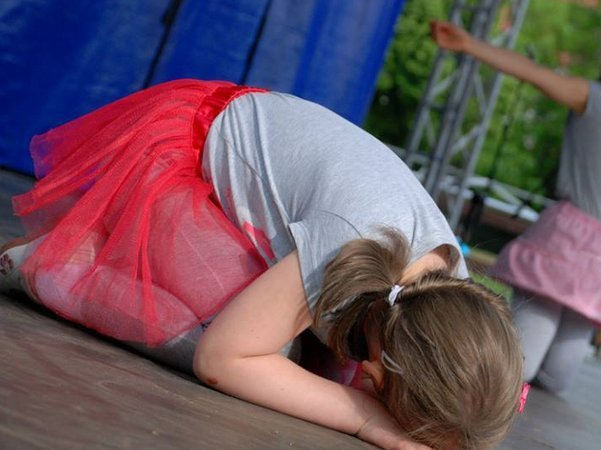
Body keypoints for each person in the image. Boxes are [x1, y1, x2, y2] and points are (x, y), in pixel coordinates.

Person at [0, 79, 525, 450]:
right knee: (253, 345)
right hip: (184, 160)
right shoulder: (351, 243)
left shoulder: (441, 292)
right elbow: (222, 359)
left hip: (273, 199)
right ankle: (53, 266)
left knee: (309, 368)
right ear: (384, 366)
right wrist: (364, 418)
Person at [431, 1, 601, 392]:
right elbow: (533, 72)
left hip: (599, 257)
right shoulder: (593, 97)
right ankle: (451, 359)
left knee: (558, 378)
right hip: (565, 243)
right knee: (521, 364)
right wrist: (471, 44)